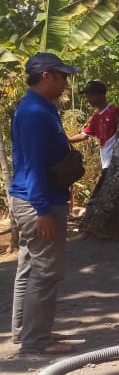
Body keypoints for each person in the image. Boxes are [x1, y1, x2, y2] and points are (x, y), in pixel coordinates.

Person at [9, 52, 80, 355]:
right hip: (37, 201)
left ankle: (24, 332)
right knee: (46, 271)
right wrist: (42, 209)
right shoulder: (36, 113)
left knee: (29, 267)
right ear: (46, 76)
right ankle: (35, 340)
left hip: (36, 196)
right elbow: (35, 165)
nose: (66, 82)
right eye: (62, 76)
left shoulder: (38, 107)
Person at [67, 79, 119, 193]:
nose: (88, 99)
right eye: (87, 96)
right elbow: (84, 135)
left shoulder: (114, 111)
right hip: (106, 162)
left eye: (91, 95)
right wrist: (67, 140)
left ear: (101, 94)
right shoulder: (96, 118)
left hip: (116, 161)